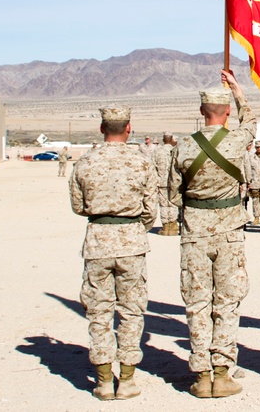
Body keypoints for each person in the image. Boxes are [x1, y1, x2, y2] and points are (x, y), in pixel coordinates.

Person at [167, 70, 255, 398]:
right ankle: (222, 371)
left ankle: (201, 374)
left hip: (194, 232)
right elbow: (252, 121)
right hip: (230, 232)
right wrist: (237, 90)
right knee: (227, 301)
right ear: (226, 111)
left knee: (197, 301)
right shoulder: (236, 141)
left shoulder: (184, 146)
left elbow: (174, 195)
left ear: (202, 112)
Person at [70, 105, 158, 401]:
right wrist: (132, 223)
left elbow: (78, 206)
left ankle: (104, 381)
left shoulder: (85, 162)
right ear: (129, 128)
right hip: (132, 241)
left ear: (101, 128)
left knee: (99, 312)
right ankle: (128, 380)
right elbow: (151, 210)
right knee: (132, 311)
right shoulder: (142, 162)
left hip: (98, 241)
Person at [152, 133, 178, 235]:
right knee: (173, 204)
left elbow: (153, 166)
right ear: (171, 139)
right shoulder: (175, 150)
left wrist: (157, 179)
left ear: (163, 140)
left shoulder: (157, 151)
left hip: (161, 181)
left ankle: (166, 226)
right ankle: (173, 225)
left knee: (163, 205)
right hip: (173, 181)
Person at [244, 141, 260, 226]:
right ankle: (256, 217)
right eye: (257, 147)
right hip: (254, 182)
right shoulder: (251, 157)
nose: (259, 149)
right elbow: (248, 169)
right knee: (255, 201)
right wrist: (248, 181)